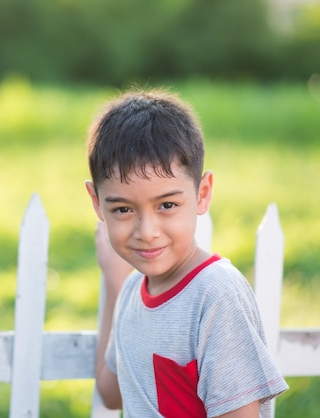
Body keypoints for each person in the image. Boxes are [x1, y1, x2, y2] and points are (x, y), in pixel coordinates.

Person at [85, 89, 288, 417]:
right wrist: (114, 284)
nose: (147, 231)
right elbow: (110, 393)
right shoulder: (130, 294)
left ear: (202, 193)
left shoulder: (215, 295)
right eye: (123, 209)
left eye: (167, 205)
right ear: (96, 202)